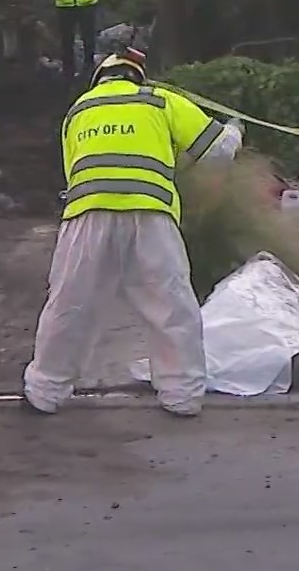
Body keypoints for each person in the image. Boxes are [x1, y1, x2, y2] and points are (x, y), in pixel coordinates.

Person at [22, 48, 242, 418]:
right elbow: (218, 152)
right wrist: (234, 128)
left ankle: (44, 391)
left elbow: (73, 170)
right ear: (139, 75)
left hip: (87, 217)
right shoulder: (161, 101)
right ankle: (182, 395)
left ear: (100, 79)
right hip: (150, 215)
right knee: (171, 306)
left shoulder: (78, 111)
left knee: (69, 304)